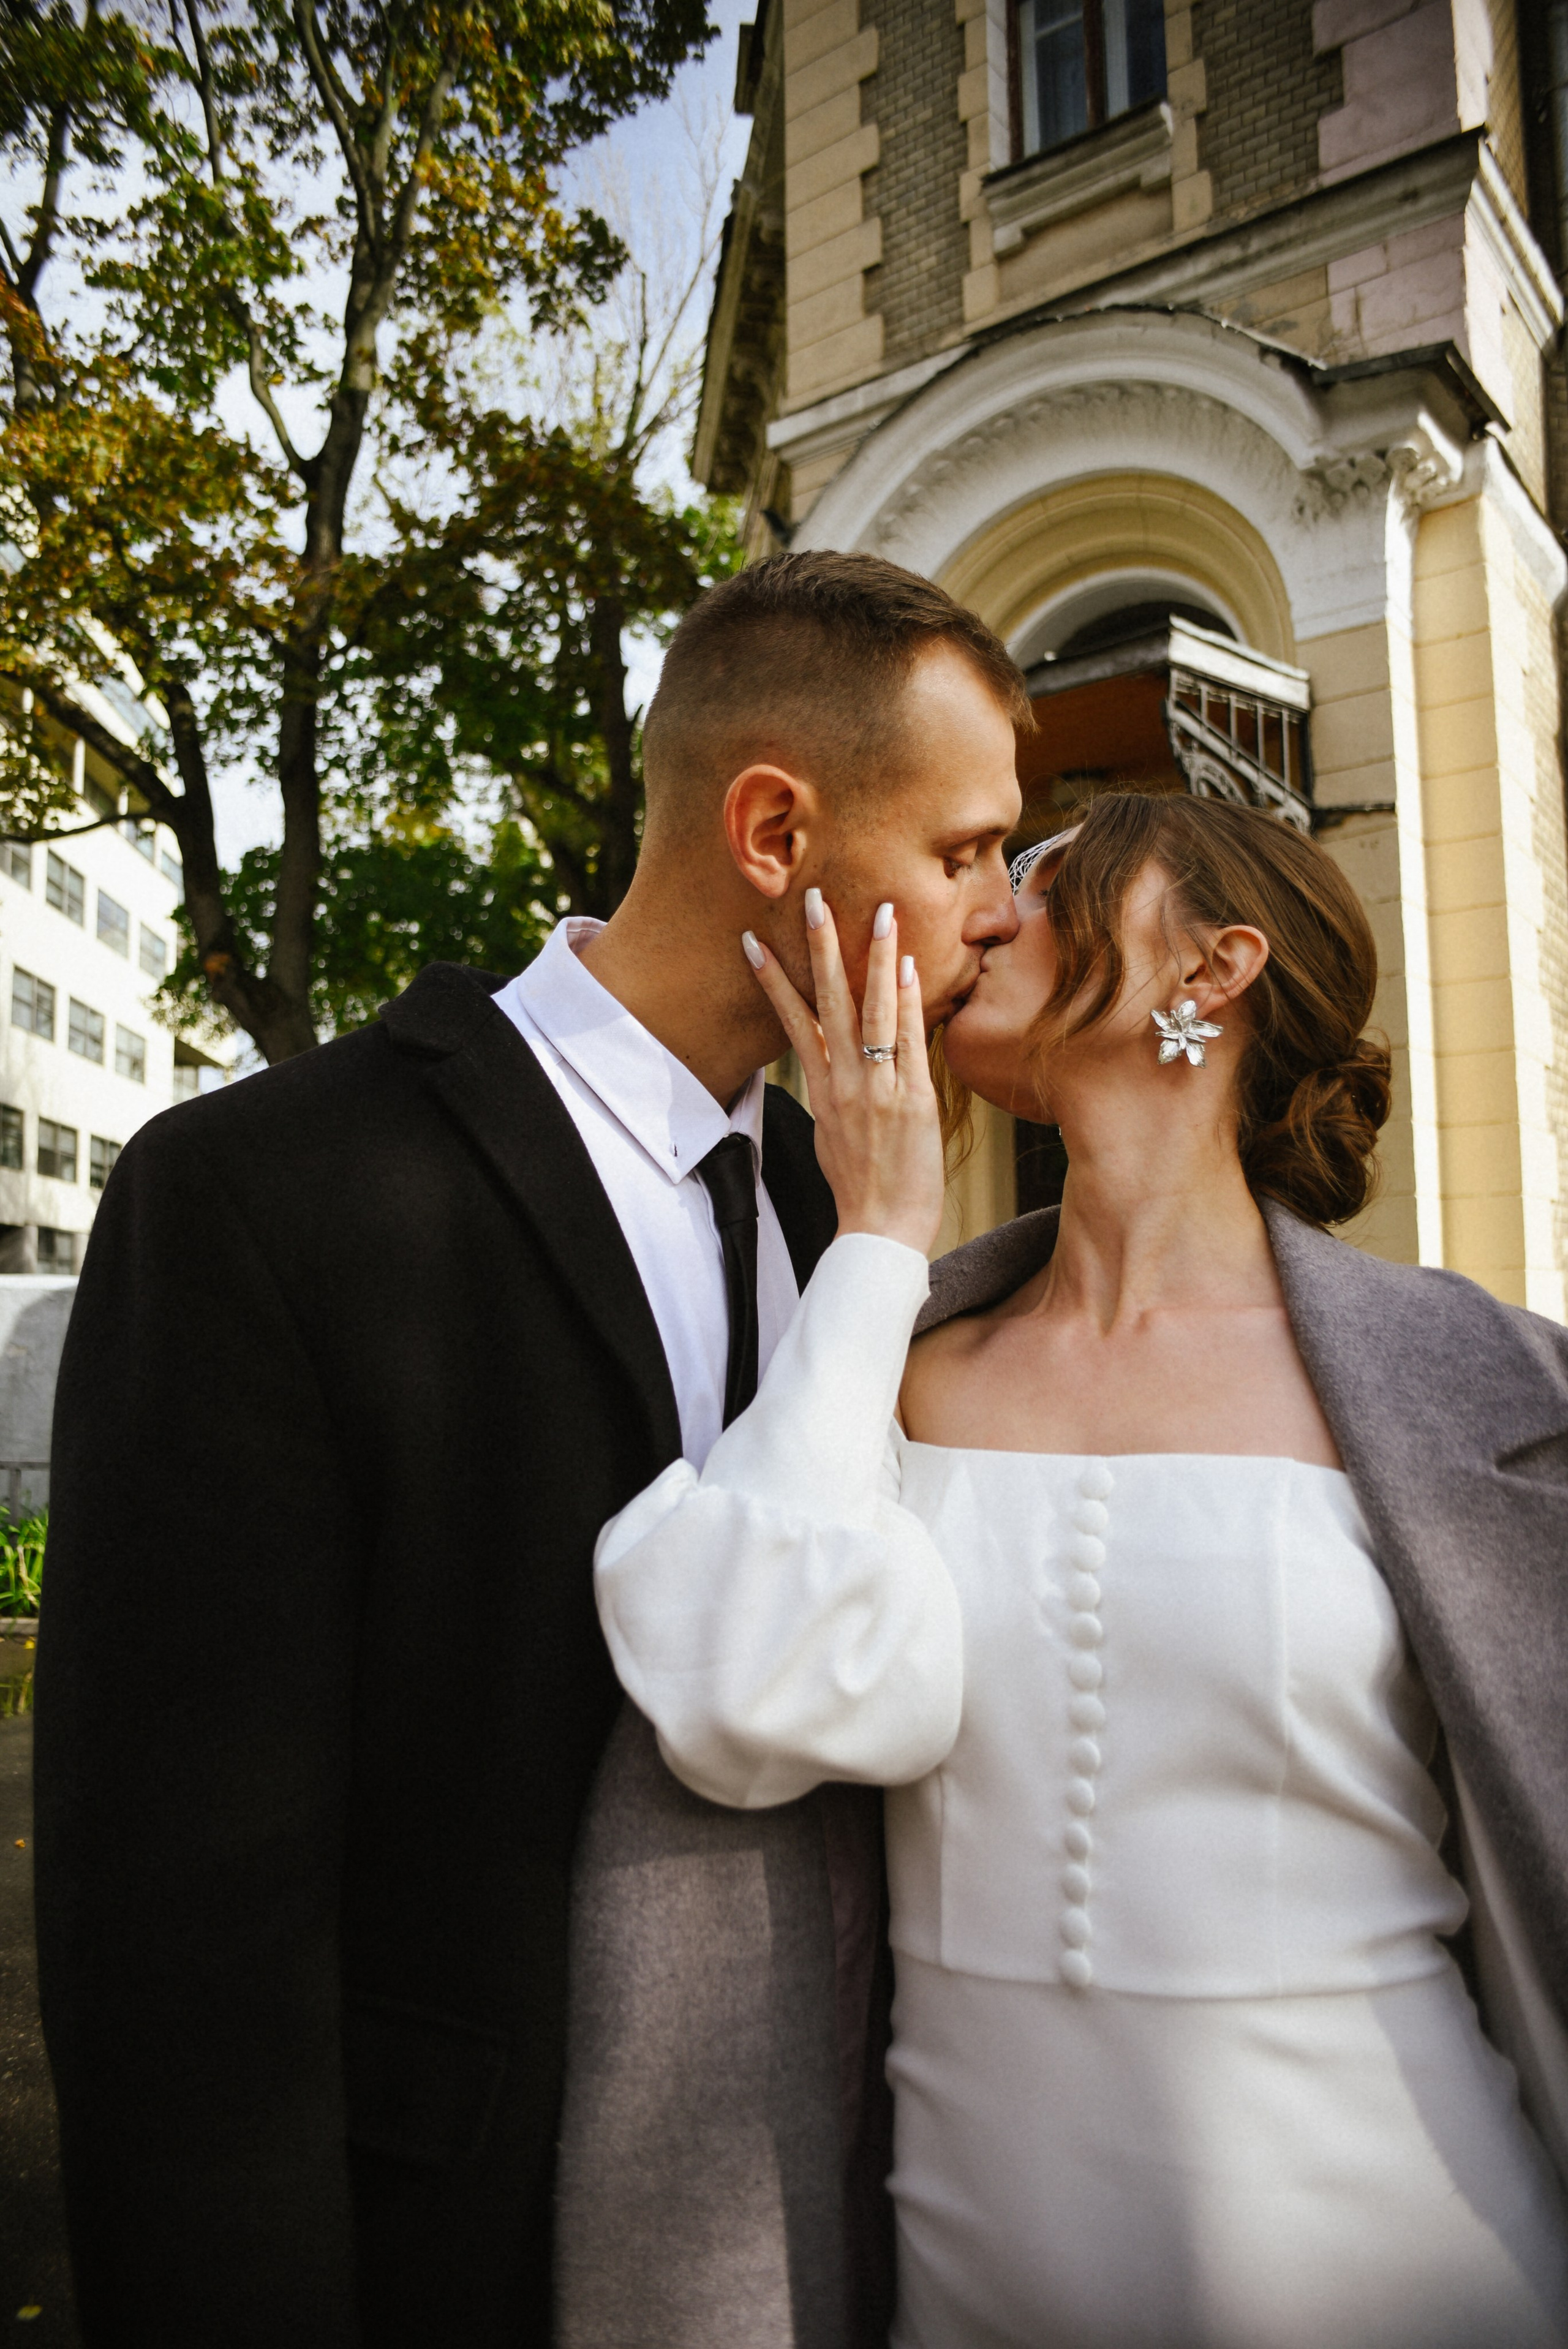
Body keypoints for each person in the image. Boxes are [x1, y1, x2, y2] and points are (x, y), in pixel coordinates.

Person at [31, 550, 1028, 2348]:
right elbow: (179, 1931)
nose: (1005, 913)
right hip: (450, 2259)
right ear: (774, 831)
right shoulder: (266, 1192)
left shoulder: (846, 1207)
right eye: (965, 853)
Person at [595, 788, 1568, 2349]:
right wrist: (876, 1235)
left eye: (1049, 877)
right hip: (964, 2286)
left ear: (1210, 969)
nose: (991, 911)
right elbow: (739, 1702)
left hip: (1416, 2265)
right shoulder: (891, 1364)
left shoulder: (1483, 1392)